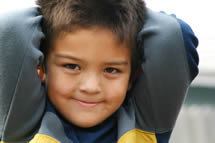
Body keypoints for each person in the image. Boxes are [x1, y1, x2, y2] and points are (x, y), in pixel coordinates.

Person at [0, 0, 199, 143]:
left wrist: (124, 11)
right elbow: (11, 29)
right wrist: (53, 17)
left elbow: (172, 34)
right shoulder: (20, 124)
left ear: (133, 75)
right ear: (40, 67)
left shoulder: (146, 124)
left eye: (111, 70)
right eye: (72, 66)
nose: (91, 87)